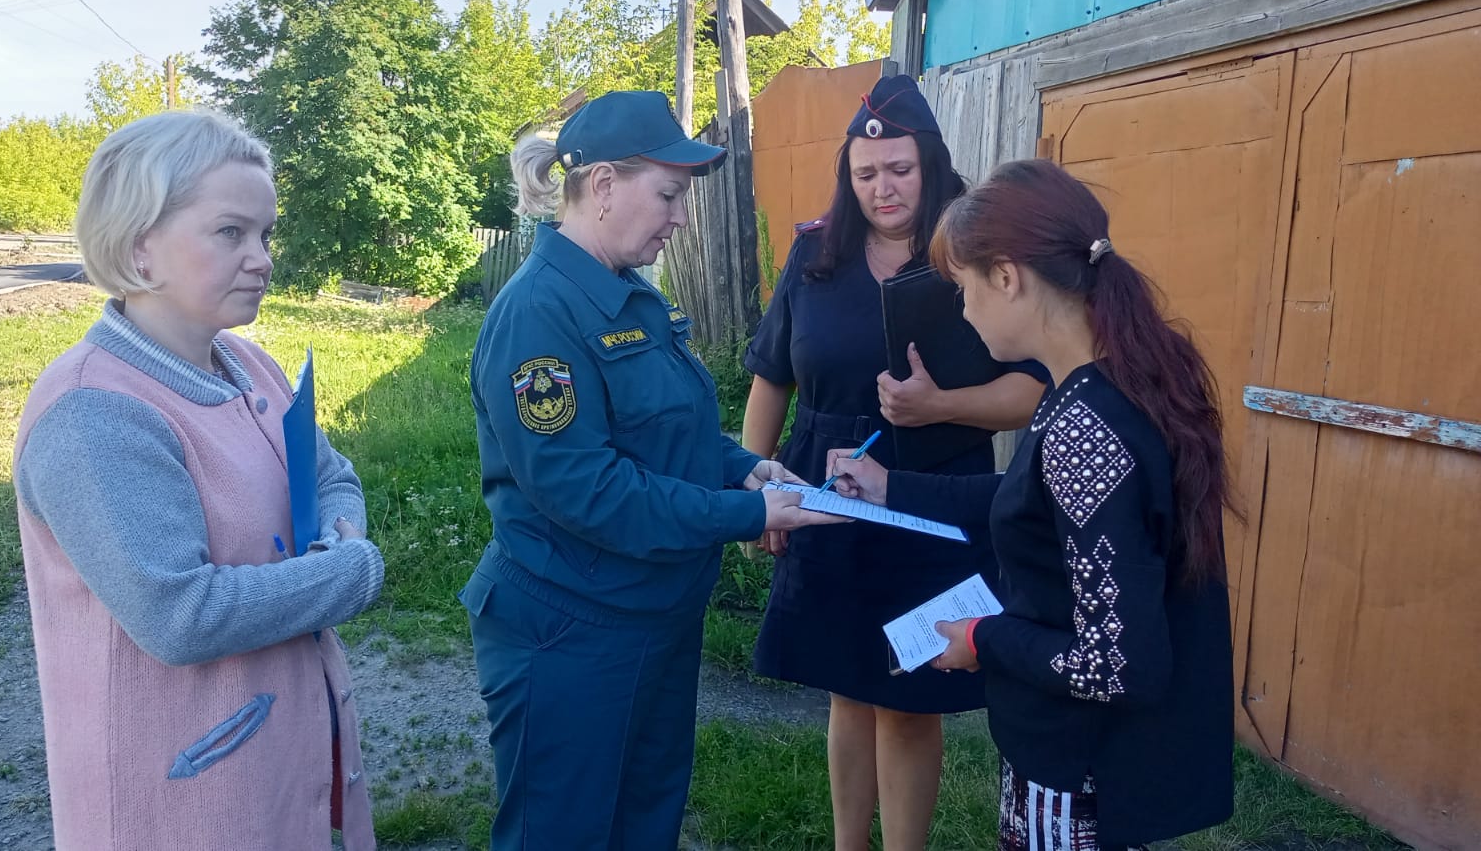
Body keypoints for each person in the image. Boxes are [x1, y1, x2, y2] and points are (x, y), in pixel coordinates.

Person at [459, 90, 840, 851]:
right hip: (571, 629)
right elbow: (586, 490)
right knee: (563, 833)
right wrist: (749, 517)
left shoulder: (631, 296)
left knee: (644, 820)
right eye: (668, 195)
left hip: (653, 614)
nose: (679, 217)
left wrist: (747, 472)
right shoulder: (541, 311)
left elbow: (669, 431)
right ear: (602, 186)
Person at [829, 158, 1237, 850]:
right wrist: (891, 486)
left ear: (1008, 276)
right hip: (1086, 758)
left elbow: (1116, 665)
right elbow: (1034, 503)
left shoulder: (1085, 423)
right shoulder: (1103, 385)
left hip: (1075, 773)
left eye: (963, 289)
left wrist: (980, 640)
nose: (962, 309)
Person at [13, 110, 385, 850]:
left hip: (278, 766)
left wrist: (340, 528)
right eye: (230, 232)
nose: (262, 257)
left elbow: (332, 474)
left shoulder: (250, 365)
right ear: (139, 248)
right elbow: (179, 616)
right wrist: (352, 570)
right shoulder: (94, 413)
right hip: (183, 802)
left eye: (265, 234)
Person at [740, 74, 1045, 850]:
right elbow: (772, 375)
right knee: (848, 688)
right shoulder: (816, 254)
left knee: (909, 692)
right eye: (866, 173)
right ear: (849, 175)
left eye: (900, 169)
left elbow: (1034, 392)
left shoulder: (978, 255)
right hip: (826, 491)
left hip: (935, 499)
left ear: (931, 164)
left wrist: (939, 405)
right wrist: (752, 489)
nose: (883, 187)